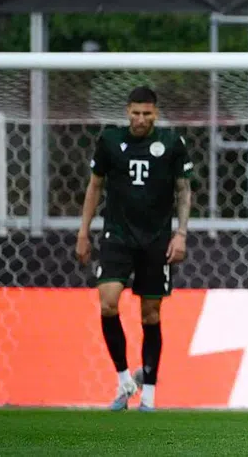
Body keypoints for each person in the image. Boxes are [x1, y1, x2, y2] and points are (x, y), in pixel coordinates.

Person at [76, 86, 193, 411]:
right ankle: (124, 378)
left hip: (156, 239)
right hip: (117, 236)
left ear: (156, 113)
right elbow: (95, 186)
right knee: (108, 303)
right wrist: (83, 232)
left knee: (151, 313)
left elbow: (184, 191)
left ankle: (150, 395)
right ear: (127, 111)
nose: (141, 119)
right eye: (136, 113)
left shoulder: (172, 143)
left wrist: (180, 234)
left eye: (147, 114)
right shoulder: (111, 141)